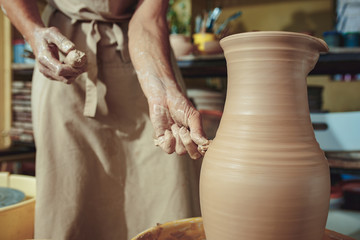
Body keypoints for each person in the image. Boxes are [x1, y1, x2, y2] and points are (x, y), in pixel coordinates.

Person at [0, 0, 209, 239]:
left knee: (168, 193)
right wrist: (32, 31)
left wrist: (163, 91)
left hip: (144, 57)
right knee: (70, 200)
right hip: (64, 52)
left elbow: (149, 19)